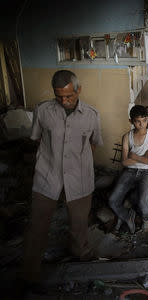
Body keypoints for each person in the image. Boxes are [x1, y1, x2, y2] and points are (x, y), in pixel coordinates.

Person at [22, 70, 103, 285]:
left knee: (78, 223)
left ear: (79, 90)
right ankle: (30, 274)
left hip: (80, 178)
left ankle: (80, 253)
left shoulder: (91, 115)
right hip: (47, 175)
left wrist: (74, 162)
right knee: (38, 225)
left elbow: (93, 143)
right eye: (59, 96)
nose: (64, 101)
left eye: (69, 96)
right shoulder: (43, 111)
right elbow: (37, 139)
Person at [108, 105, 148, 233]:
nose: (142, 124)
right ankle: (127, 216)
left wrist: (134, 156)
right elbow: (124, 162)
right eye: (138, 121)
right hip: (130, 171)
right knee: (112, 200)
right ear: (131, 121)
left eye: (145, 120)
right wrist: (143, 157)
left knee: (143, 202)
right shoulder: (127, 136)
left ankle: (147, 221)